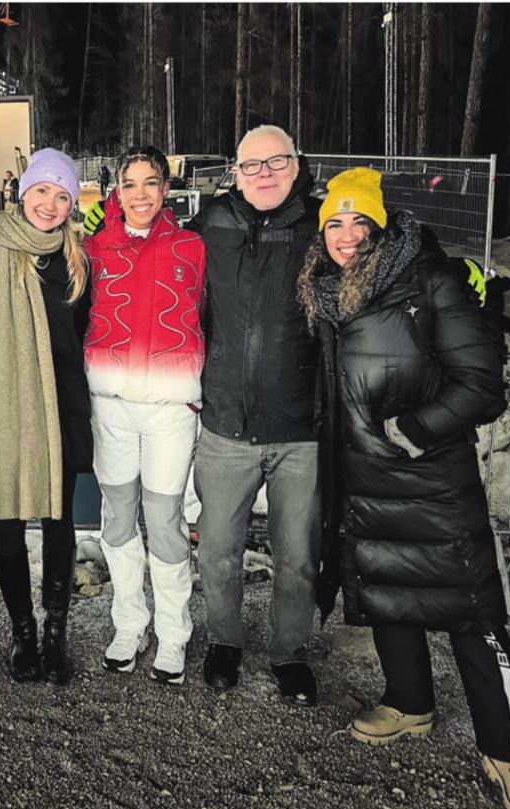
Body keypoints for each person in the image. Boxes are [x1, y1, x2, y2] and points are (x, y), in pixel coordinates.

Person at [298, 167, 510, 809]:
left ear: (381, 225)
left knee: (473, 613)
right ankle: (410, 701)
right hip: (365, 479)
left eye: (359, 222)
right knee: (387, 590)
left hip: (431, 478)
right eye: (334, 223)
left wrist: (414, 429)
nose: (347, 235)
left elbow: (479, 383)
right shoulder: (326, 294)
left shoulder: (428, 281)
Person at [190, 125, 325, 706]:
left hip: (301, 430)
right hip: (225, 424)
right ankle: (225, 641)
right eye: (252, 164)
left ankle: (289, 652)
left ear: (297, 165)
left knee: (298, 556)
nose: (264, 172)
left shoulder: (323, 227)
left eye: (276, 161)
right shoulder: (213, 223)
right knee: (217, 549)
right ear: (235, 172)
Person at [0, 148, 92, 684]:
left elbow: (85, 333)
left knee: (60, 524)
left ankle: (55, 634)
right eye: (42, 191)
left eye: (62, 195)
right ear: (21, 192)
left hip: (62, 406)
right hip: (3, 405)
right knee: (7, 527)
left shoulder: (77, 258)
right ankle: (23, 634)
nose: (50, 205)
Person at [84, 146, 205, 685]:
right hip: (110, 406)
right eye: (129, 184)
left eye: (150, 183)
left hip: (168, 411)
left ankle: (174, 634)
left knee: (165, 523)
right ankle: (129, 624)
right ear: (116, 188)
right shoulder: (94, 248)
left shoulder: (193, 246)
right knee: (117, 520)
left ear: (166, 188)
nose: (139, 195)